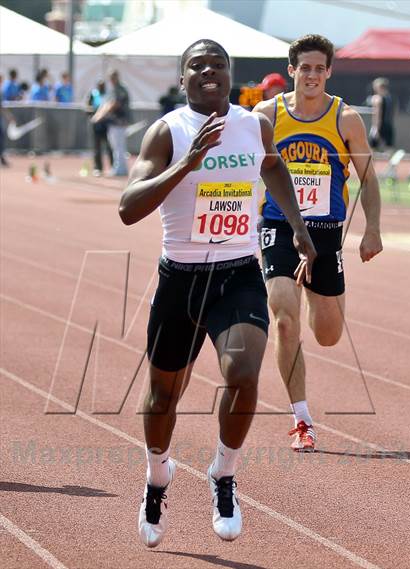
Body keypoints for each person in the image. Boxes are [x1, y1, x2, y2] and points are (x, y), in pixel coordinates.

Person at [119, 39, 316, 547]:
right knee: (164, 395)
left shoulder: (255, 124)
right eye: (197, 66)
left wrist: (296, 224)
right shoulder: (167, 131)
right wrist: (187, 163)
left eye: (218, 65)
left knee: (244, 375)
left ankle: (223, 474)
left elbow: (271, 165)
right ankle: (157, 477)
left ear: (231, 76)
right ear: (183, 79)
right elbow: (128, 207)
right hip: (180, 279)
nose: (209, 72)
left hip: (237, 274)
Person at [253, 34, 383, 452]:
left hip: (326, 233)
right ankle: (302, 419)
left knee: (327, 335)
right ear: (291, 71)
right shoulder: (266, 115)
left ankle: (314, 293)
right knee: (284, 320)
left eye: (318, 68)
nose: (311, 75)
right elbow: (239, 168)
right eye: (303, 68)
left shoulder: (345, 118)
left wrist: (373, 228)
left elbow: (368, 177)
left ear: (328, 71)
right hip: (278, 226)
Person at [91, 70, 130, 176]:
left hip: (119, 122)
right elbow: (107, 104)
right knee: (115, 146)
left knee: (119, 146)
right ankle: (118, 167)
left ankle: (121, 168)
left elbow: (114, 104)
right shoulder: (113, 89)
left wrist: (100, 116)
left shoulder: (120, 89)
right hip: (113, 122)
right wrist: (99, 115)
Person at [86, 80, 113, 176]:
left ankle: (113, 167)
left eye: (103, 85)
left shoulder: (108, 95)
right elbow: (87, 108)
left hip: (107, 125)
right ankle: (98, 168)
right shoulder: (93, 94)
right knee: (97, 147)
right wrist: (94, 114)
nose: (102, 87)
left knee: (110, 146)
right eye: (100, 85)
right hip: (96, 125)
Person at [369, 77, 394, 151]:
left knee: (372, 149)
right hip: (389, 125)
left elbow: (377, 114)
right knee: (389, 149)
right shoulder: (390, 98)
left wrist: (375, 128)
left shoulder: (377, 98)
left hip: (379, 126)